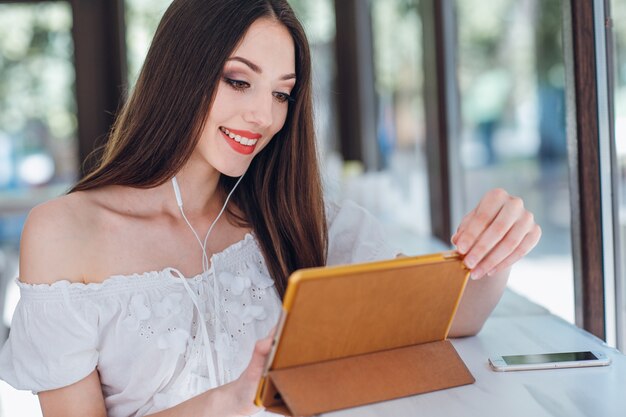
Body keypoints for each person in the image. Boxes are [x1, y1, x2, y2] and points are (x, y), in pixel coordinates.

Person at [0, 0, 541, 416]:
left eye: (282, 94)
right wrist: (230, 400)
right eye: (239, 81)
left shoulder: (299, 218)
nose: (263, 115)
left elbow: (453, 316)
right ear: (178, 75)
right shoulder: (64, 233)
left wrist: (498, 245)